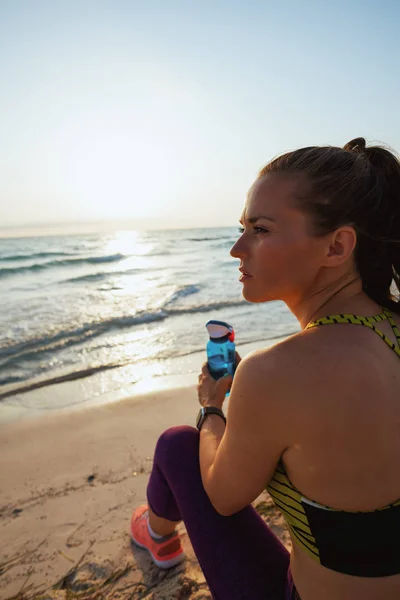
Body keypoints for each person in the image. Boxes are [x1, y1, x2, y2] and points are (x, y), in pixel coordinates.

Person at [130, 138, 400, 600]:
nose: (237, 248)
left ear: (336, 246)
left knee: (178, 445)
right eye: (242, 227)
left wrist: (212, 408)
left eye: (260, 229)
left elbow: (223, 496)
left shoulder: (276, 373)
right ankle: (153, 531)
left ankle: (154, 532)